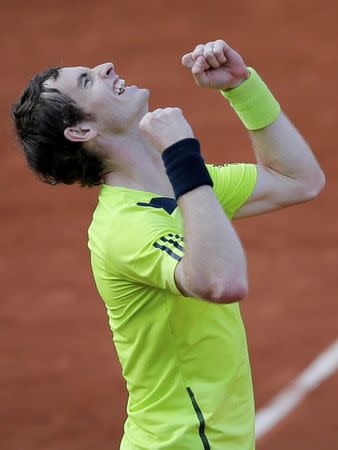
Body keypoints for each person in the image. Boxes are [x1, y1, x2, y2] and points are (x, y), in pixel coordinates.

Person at [12, 39, 325, 450]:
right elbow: (222, 281)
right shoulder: (126, 227)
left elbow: (298, 181)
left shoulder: (183, 190)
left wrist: (241, 87)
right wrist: (181, 154)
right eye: (87, 80)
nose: (106, 65)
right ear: (81, 130)